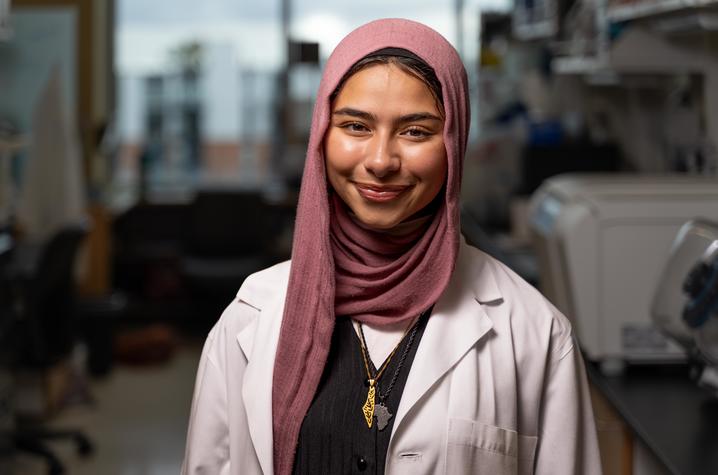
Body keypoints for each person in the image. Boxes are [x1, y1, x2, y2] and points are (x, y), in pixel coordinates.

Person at [182, 18, 601, 475]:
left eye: (416, 131)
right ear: (322, 135)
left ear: (454, 144)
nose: (381, 161)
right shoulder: (253, 314)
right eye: (356, 126)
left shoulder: (534, 334)